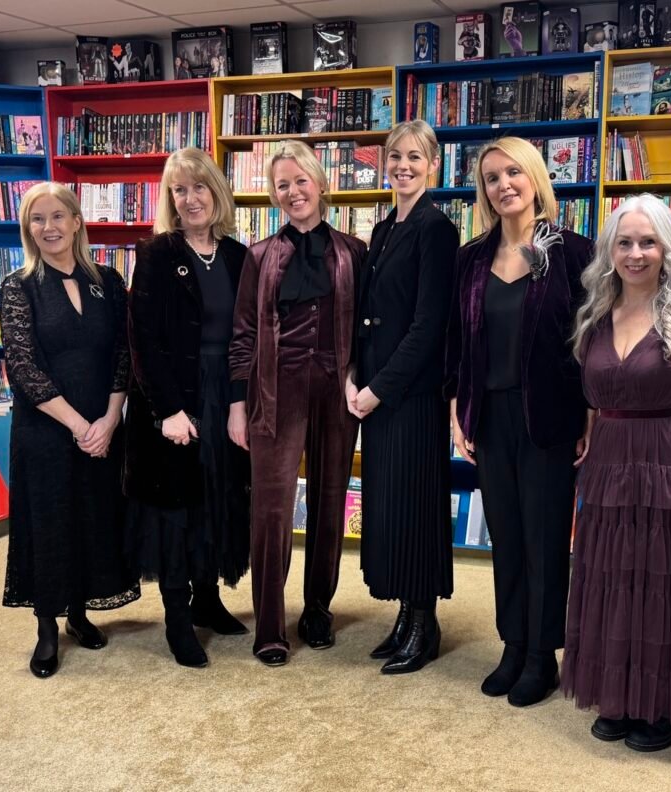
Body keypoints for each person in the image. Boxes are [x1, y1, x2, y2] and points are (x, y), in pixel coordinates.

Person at [562, 193, 671, 752]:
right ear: (610, 251)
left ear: (667, 249)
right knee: (614, 578)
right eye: (625, 243)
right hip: (610, 463)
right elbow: (596, 396)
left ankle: (665, 706)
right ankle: (618, 695)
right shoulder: (595, 316)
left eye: (647, 242)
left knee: (665, 583)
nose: (635, 254)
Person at [445, 136, 592, 706]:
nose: (503, 184)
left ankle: (541, 656)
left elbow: (590, 339)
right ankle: (512, 644)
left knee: (545, 537)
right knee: (505, 535)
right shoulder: (470, 259)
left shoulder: (573, 253)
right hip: (489, 415)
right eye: (491, 178)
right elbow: (458, 343)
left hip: (550, 415)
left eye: (513, 173)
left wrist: (590, 411)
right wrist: (458, 409)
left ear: (534, 178)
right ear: (483, 191)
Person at [229, 140, 366, 667]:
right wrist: (238, 406)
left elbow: (365, 331)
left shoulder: (353, 252)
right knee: (271, 510)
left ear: (321, 184)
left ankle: (318, 610)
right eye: (282, 185)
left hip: (335, 393)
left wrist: (357, 380)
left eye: (300, 181)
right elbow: (244, 335)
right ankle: (270, 625)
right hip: (275, 394)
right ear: (274, 195)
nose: (292, 192)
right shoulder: (260, 256)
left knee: (331, 500)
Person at [0, 182, 140, 678]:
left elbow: (124, 353)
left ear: (77, 221)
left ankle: (78, 614)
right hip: (47, 430)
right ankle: (46, 627)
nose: (48, 227)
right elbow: (22, 367)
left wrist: (110, 419)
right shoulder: (19, 286)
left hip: (103, 427)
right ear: (28, 228)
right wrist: (81, 426)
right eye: (37, 219)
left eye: (57, 216)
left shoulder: (108, 280)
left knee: (92, 516)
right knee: (50, 522)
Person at [124, 148, 251, 669]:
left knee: (215, 499)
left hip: (225, 394)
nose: (191, 198)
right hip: (173, 398)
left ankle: (207, 599)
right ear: (170, 199)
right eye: (180, 190)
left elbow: (248, 336)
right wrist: (168, 411)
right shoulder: (156, 254)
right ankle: (178, 618)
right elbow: (143, 339)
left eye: (199, 187)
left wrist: (241, 398)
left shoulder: (239, 255)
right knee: (175, 510)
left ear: (216, 191)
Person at [347, 120, 459, 674]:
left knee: (415, 507)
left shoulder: (437, 229)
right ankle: (404, 617)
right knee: (389, 507)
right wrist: (352, 375)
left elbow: (428, 325)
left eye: (415, 157)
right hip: (374, 389)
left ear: (433, 164)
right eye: (395, 157)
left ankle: (424, 624)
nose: (403, 166)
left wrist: (377, 389)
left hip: (410, 394)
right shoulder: (384, 226)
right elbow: (366, 312)